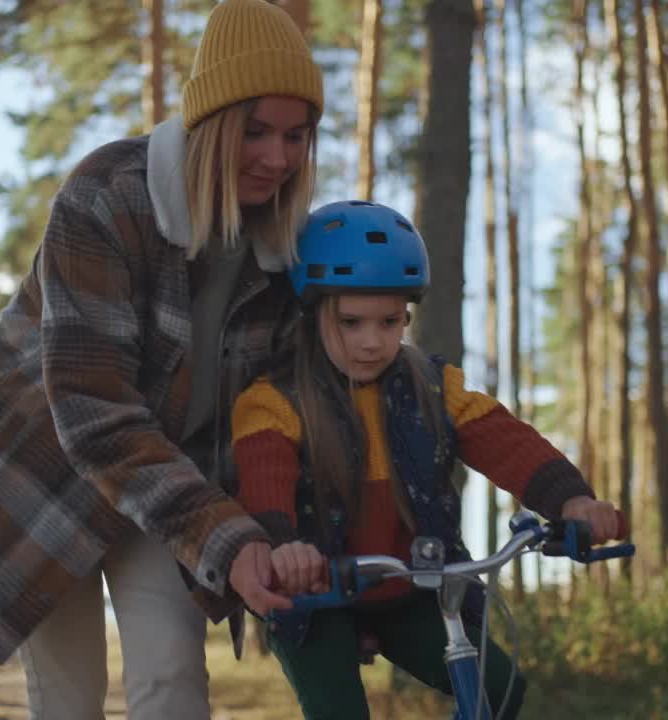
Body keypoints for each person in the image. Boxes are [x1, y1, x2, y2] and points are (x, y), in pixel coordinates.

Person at [0, 1, 324, 717]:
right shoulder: (107, 197)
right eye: (256, 130)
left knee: (172, 678)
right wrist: (225, 535)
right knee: (68, 696)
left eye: (296, 135)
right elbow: (92, 406)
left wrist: (295, 545)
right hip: (42, 471)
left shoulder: (285, 257)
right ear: (211, 122)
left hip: (165, 487)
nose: (277, 158)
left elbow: (279, 421)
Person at [230, 200, 623, 720]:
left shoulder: (433, 387)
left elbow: (506, 442)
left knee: (496, 689)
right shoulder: (274, 401)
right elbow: (264, 480)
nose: (373, 341)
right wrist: (280, 547)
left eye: (390, 321)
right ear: (313, 313)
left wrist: (571, 499)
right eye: (351, 322)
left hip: (411, 588)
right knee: (338, 710)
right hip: (317, 595)